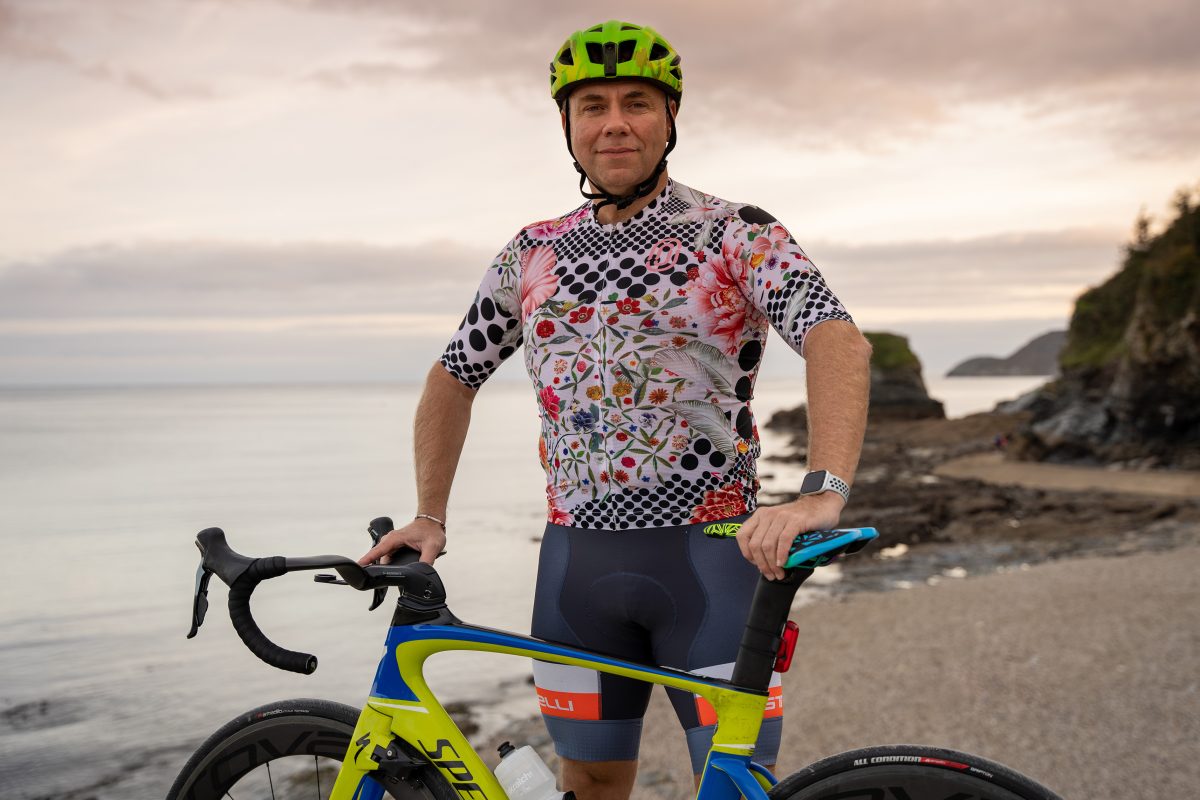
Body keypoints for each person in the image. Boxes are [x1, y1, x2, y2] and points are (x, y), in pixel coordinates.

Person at [360, 20, 871, 800]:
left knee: (735, 786)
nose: (615, 123)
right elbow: (453, 377)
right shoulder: (531, 253)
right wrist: (430, 513)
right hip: (577, 571)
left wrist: (820, 492)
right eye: (592, 106)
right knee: (590, 781)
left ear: (670, 118)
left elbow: (836, 339)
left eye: (637, 102)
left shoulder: (734, 232)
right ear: (567, 124)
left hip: (713, 566)